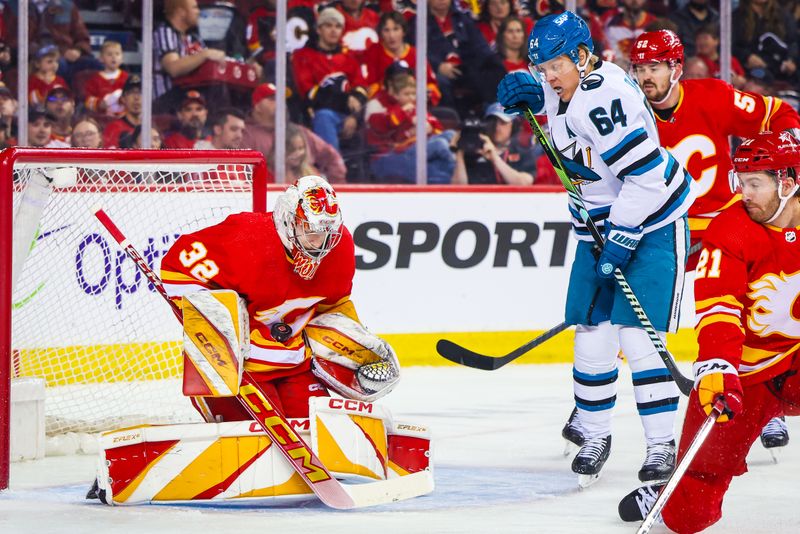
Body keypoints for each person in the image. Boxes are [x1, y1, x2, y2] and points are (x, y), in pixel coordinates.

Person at [497, 11, 696, 484]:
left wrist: (623, 238)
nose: (547, 77)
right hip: (596, 227)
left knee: (638, 339)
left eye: (553, 68)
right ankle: (594, 432)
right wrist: (532, 91)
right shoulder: (571, 82)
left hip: (650, 224)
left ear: (582, 56)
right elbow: (559, 103)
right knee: (590, 333)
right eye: (540, 68)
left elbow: (645, 179)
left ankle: (661, 445)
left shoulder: (604, 97)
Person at [618, 130, 800, 532]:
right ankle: (676, 485)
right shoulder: (731, 230)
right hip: (746, 375)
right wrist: (718, 367)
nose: (743, 192)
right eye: (740, 181)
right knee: (689, 517)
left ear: (788, 182)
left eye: (755, 183)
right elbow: (720, 308)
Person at [159, 176, 399, 421]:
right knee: (260, 442)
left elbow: (332, 306)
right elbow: (177, 266)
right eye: (311, 230)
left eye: (328, 231)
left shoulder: (340, 249)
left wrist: (351, 349)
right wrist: (215, 332)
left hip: (295, 365)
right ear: (288, 220)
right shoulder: (246, 238)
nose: (320, 242)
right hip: (243, 370)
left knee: (316, 432)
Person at [290, 7, 368, 151]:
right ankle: (332, 169)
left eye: (338, 26)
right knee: (324, 116)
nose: (333, 30)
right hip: (317, 115)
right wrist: (346, 101)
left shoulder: (349, 57)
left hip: (347, 116)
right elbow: (310, 93)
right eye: (328, 25)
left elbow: (361, 88)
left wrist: (354, 117)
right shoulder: (303, 56)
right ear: (319, 29)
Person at [241, 82, 347, 184]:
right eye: (273, 99)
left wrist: (337, 188)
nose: (280, 103)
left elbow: (332, 157)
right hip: (266, 197)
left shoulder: (300, 132)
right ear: (257, 106)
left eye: (281, 99)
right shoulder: (244, 134)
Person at [365, 71, 455, 184]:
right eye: (407, 94)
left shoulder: (415, 108)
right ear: (395, 94)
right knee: (440, 144)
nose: (411, 98)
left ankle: (455, 173)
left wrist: (430, 128)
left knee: (450, 134)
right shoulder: (382, 107)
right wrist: (406, 120)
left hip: (417, 148)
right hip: (395, 154)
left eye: (413, 94)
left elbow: (437, 127)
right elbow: (385, 129)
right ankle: (455, 170)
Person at [153, 0, 226, 113]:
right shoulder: (165, 32)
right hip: (165, 101)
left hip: (189, 96)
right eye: (194, 8)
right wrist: (205, 54)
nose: (198, 12)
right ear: (181, 12)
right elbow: (174, 68)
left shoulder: (193, 37)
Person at [362, 11, 440, 106]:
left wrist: (426, 95)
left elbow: (431, 84)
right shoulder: (374, 52)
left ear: (403, 31)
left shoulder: (415, 54)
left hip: (415, 105)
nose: (391, 36)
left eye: (396, 29)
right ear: (381, 33)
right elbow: (370, 85)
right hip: (384, 106)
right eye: (386, 30)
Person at [451, 102, 534, 185]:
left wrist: (494, 158)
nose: (497, 128)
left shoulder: (522, 151)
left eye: (503, 123)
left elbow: (524, 184)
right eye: (493, 122)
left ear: (513, 126)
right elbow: (457, 190)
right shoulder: (471, 151)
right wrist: (459, 153)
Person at [84, 40, 129, 116]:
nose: (114, 57)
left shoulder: (127, 77)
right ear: (101, 58)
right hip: (102, 117)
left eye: (117, 54)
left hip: (123, 116)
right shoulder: (95, 79)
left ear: (122, 59)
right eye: (109, 54)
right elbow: (87, 100)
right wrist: (99, 103)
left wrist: (124, 100)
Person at [103, 74, 142, 148]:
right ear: (123, 99)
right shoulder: (113, 128)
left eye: (140, 92)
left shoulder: (151, 127)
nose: (136, 97)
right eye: (131, 92)